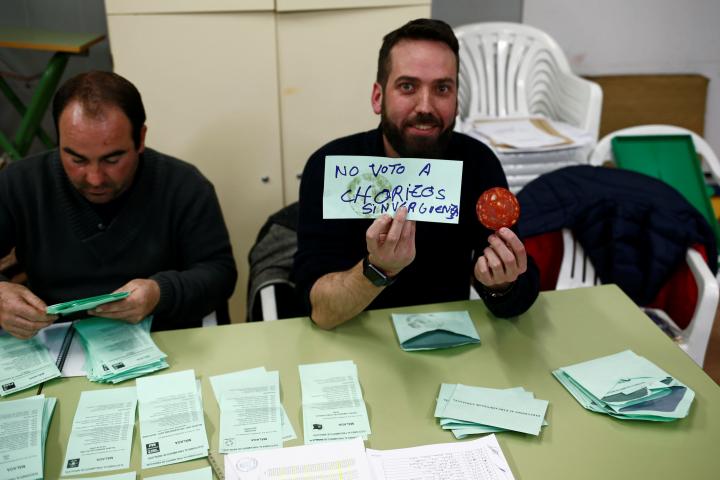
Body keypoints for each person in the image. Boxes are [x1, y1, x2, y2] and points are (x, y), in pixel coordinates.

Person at [293, 19, 539, 329]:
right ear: (378, 97)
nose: (425, 106)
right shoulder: (331, 166)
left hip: (446, 338)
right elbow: (321, 311)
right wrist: (379, 269)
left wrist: (502, 284)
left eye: (442, 89)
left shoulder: (478, 163)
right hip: (353, 338)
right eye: (407, 86)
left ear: (456, 100)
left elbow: (517, 296)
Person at [0, 71, 237, 339]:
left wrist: (160, 293)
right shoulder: (20, 184)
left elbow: (220, 274)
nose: (95, 178)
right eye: (77, 160)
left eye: (112, 160)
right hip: (54, 341)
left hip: (162, 338)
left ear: (141, 139)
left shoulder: (184, 185)